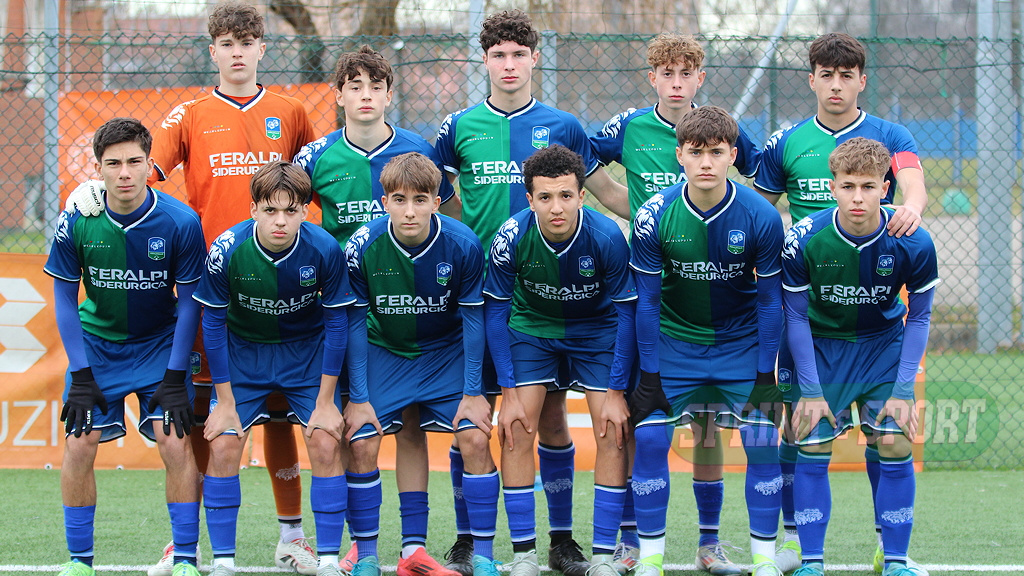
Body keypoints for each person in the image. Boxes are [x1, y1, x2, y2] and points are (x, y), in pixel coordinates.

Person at [65, 3, 320, 573]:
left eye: (246, 42)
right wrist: (89, 189)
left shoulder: (291, 112)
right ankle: (190, 543)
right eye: (226, 43)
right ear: (213, 51)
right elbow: (139, 175)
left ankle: (293, 536)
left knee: (280, 415)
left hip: (278, 284)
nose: (237, 52)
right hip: (210, 285)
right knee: (201, 410)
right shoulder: (189, 115)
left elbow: (312, 184)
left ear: (262, 49)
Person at [434, 11, 626, 576]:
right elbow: (438, 196)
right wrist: (462, 242)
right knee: (475, 416)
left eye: (519, 54)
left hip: (562, 297)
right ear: (485, 60)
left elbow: (605, 189)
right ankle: (470, 539)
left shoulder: (564, 124)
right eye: (499, 55)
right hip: (484, 294)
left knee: (552, 420)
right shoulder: (458, 126)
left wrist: (655, 220)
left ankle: (562, 541)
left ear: (535, 58)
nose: (509, 65)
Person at [753, 33, 929, 573]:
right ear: (811, 80)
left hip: (874, 306)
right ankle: (798, 548)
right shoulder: (787, 142)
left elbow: (914, 184)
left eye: (845, 75)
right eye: (826, 75)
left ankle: (890, 550)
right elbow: (759, 211)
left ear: (861, 81)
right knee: (800, 432)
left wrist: (910, 211)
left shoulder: (891, 135)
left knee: (889, 439)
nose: (835, 85)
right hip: (810, 307)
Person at [589, 33, 762, 575]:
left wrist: (736, 227)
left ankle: (710, 545)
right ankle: (632, 543)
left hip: (715, 301)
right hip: (651, 296)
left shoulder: (724, 129)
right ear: (653, 78)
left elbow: (761, 178)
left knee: (709, 430)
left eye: (687, 73)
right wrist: (627, 205)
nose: (677, 82)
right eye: (667, 73)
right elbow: (587, 160)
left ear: (700, 78)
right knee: (641, 423)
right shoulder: (629, 127)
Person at [293, 45, 460, 576]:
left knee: (410, 424)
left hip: (413, 307)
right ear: (339, 95)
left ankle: (413, 549)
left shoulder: (418, 150)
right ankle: (358, 545)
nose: (365, 96)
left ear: (389, 94)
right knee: (354, 426)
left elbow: (449, 213)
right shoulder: (315, 156)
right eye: (354, 87)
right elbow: (284, 206)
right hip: (346, 312)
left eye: (375, 87)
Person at [45, 117, 206, 576]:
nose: (125, 173)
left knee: (175, 442)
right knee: (79, 444)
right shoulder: (78, 219)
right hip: (98, 347)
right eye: (113, 163)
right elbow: (64, 298)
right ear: (97, 167)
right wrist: (80, 372)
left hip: (159, 346)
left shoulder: (180, 221)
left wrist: (175, 374)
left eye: (135, 162)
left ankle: (185, 558)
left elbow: (190, 304)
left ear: (150, 163)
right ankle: (79, 561)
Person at [628, 106, 786, 576]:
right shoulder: (653, 214)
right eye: (695, 152)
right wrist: (650, 373)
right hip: (675, 345)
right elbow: (647, 302)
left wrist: (765, 374)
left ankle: (763, 561)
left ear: (733, 155)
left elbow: (770, 302)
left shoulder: (761, 216)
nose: (706, 162)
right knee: (650, 440)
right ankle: (651, 561)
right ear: (679, 154)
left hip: (741, 347)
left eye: (716, 152)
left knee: (762, 442)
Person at [782, 137, 938, 576]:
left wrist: (904, 390)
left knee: (894, 441)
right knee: (811, 444)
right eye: (848, 186)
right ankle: (812, 563)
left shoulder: (913, 241)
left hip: (882, 347)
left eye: (868, 187)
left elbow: (919, 318)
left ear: (885, 189)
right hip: (820, 348)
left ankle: (895, 560)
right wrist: (811, 391)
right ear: (832, 187)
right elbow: (794, 316)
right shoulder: (804, 238)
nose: (857, 197)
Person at [341, 152, 500, 576]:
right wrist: (358, 397)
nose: (409, 211)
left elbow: (474, 320)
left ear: (436, 201)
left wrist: (473, 392)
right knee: (362, 441)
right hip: (386, 350)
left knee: (475, 438)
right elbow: (354, 322)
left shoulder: (464, 244)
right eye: (399, 200)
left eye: (420, 199)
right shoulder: (361, 246)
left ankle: (484, 557)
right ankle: (369, 555)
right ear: (384, 203)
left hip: (445, 353)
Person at [193, 161, 354, 576]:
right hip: (244, 357)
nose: (280, 221)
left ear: (305, 211)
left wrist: (325, 402)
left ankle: (329, 560)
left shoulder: (325, 249)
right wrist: (225, 401)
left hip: (305, 356)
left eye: (290, 210)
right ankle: (223, 562)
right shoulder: (227, 250)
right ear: (253, 210)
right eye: (270, 210)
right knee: (224, 444)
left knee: (324, 441)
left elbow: (337, 324)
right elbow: (212, 323)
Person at [484, 145, 636, 576]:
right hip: (533, 329)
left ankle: (602, 557)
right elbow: (495, 314)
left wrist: (616, 392)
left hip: (597, 332)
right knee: (515, 428)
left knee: (612, 429)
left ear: (582, 196)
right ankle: (525, 556)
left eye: (566, 196)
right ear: (529, 199)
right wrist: (508, 393)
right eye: (545, 197)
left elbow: (627, 315)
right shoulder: (510, 237)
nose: (556, 207)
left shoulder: (607, 237)